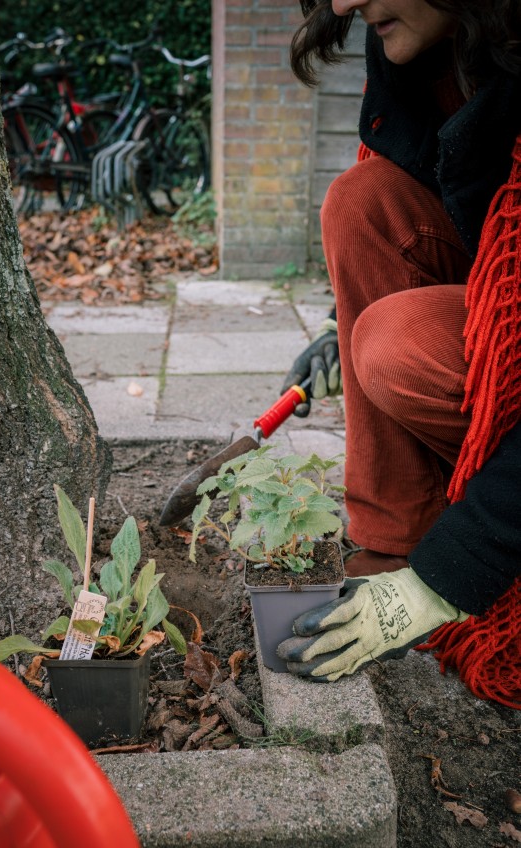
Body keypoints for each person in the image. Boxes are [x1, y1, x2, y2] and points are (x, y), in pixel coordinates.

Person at [277, 0, 521, 709]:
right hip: (489, 291)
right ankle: (394, 539)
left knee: (395, 345)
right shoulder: (413, 50)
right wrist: (333, 323)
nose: (346, 3)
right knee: (358, 200)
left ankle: (451, 550)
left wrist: (447, 580)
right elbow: (395, 195)